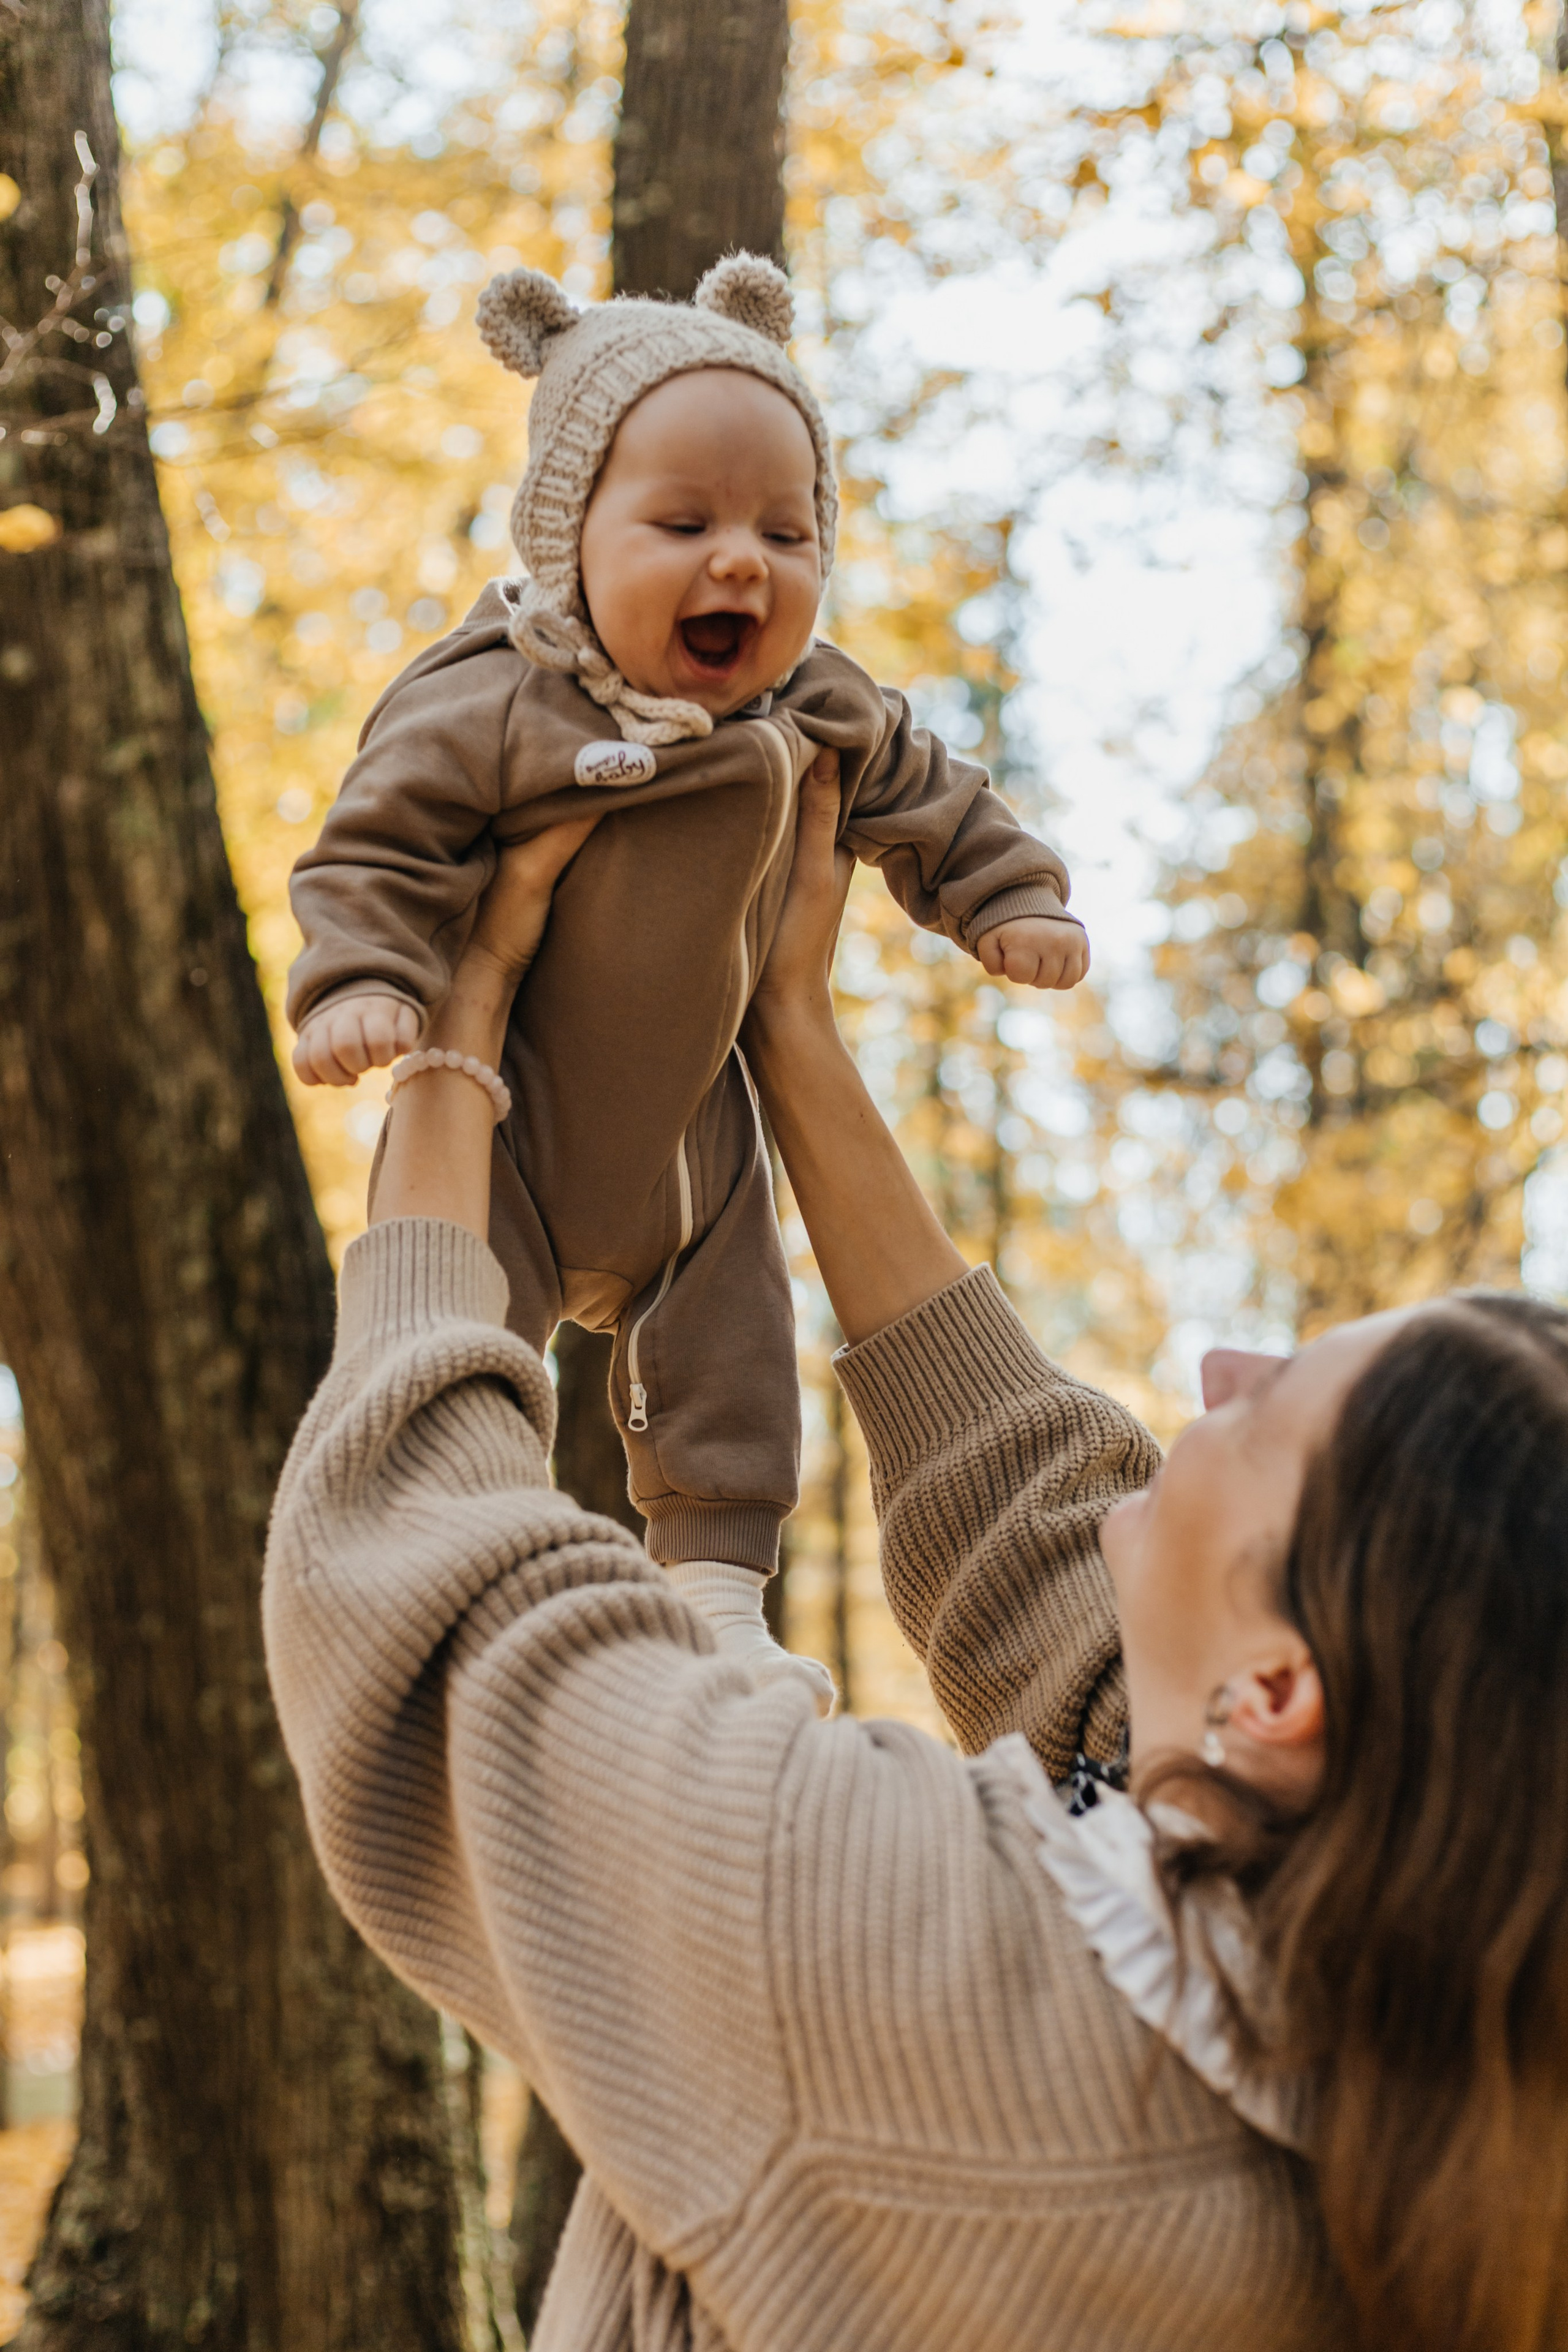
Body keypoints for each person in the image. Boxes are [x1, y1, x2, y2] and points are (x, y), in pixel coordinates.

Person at [265, 763, 1568, 2352]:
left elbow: (430, 1602)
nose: (1221, 1371)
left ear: (1282, 1691)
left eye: (1277, 1402)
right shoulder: (1435, 2069)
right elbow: (1050, 1570)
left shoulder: (874, 1964)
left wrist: (458, 1051)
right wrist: (787, 1033)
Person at [282, 254, 1087, 1711]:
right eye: (684, 522)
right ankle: (455, 1560)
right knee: (462, 1321)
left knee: (735, 1345)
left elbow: (929, 793)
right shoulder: (493, 694)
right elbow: (376, 840)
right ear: (564, 535)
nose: (743, 563)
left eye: (788, 532)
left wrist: (1006, 896)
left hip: (693, 1138)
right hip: (512, 1118)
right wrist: (358, 979)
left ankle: (712, 1591)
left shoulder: (808, 703)